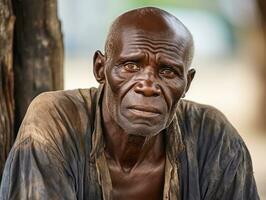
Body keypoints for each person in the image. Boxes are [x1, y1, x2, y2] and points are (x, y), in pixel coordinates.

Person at [0, 7, 259, 200]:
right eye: (131, 65)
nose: (147, 85)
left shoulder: (213, 136)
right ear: (100, 69)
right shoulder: (55, 120)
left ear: (186, 84)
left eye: (167, 71)